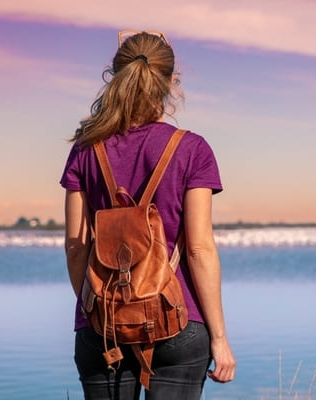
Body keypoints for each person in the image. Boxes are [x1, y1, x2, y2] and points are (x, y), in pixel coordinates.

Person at [60, 30, 236, 400]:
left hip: (102, 327)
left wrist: (101, 310)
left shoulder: (86, 150)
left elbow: (76, 247)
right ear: (171, 82)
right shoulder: (192, 150)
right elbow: (199, 249)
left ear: (115, 75)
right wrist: (219, 338)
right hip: (176, 319)